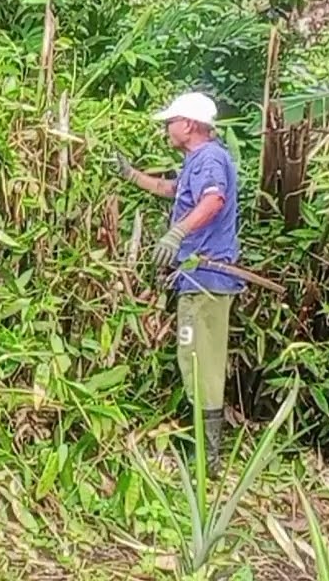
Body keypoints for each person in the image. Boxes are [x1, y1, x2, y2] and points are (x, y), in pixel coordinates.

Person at [115, 91, 244, 466]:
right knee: (194, 358)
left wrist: (177, 233)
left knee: (200, 360)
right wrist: (131, 175)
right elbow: (171, 190)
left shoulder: (209, 159)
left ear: (188, 125)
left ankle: (207, 459)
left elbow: (213, 200)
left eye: (171, 122)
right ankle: (203, 453)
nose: (166, 129)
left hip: (207, 278)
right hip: (198, 279)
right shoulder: (197, 161)